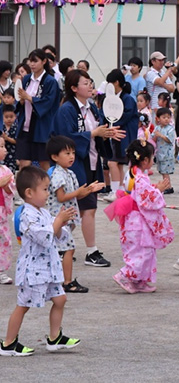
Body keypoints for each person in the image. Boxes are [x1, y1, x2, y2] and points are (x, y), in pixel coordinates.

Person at [0, 166, 80, 356]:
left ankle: (55, 338)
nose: (47, 193)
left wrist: (61, 222)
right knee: (23, 305)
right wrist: (57, 222)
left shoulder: (43, 212)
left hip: (49, 268)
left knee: (60, 299)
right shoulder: (26, 215)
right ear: (29, 193)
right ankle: (9, 343)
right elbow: (43, 237)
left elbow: (58, 236)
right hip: (33, 270)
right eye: (44, 189)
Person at [54, 70, 124, 269]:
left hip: (90, 161)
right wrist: (94, 132)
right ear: (74, 88)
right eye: (85, 83)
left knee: (81, 209)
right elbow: (64, 137)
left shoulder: (92, 107)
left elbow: (95, 133)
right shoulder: (66, 109)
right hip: (75, 164)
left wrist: (106, 133)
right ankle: (90, 251)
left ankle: (60, 246)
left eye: (90, 82)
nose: (90, 85)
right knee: (82, 209)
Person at [109, 140, 174, 294]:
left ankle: (139, 281)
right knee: (141, 251)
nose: (153, 161)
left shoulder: (133, 173)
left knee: (144, 250)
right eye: (152, 158)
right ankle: (124, 276)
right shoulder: (139, 177)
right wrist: (158, 190)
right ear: (145, 160)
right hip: (137, 219)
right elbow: (146, 198)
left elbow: (140, 194)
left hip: (134, 217)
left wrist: (155, 188)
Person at [45, 136, 103, 294]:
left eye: (73, 153)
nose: (71, 156)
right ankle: (67, 282)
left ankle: (54, 279)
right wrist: (79, 192)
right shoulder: (57, 174)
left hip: (66, 218)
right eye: (67, 153)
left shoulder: (69, 173)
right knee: (68, 249)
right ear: (55, 157)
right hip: (59, 218)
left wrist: (89, 190)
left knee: (59, 249)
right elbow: (61, 197)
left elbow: (76, 196)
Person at [16, 49, 60, 171]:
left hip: (41, 128)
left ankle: (48, 188)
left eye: (35, 61)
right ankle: (23, 189)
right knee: (23, 162)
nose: (32, 64)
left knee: (44, 162)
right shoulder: (26, 79)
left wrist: (29, 98)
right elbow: (19, 99)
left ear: (44, 61)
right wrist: (21, 101)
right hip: (25, 125)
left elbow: (49, 102)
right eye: (31, 61)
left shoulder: (50, 81)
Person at [103, 69, 138, 202]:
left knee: (113, 162)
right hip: (116, 134)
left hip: (124, 135)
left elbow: (125, 116)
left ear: (116, 82)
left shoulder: (127, 98)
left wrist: (113, 125)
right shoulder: (113, 98)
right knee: (118, 164)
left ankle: (115, 191)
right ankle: (122, 190)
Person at [153, 108, 175, 194]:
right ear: (158, 118)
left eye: (168, 117)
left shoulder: (170, 129)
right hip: (160, 153)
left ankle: (168, 186)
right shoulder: (157, 127)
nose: (166, 119)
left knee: (166, 171)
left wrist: (161, 135)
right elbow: (153, 137)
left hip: (167, 154)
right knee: (162, 171)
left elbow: (170, 139)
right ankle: (167, 186)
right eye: (164, 117)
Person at [0, 138, 13, 285]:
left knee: (4, 240)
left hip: (1, 210)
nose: (5, 149)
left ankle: (1, 270)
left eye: (4, 146)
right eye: (1, 146)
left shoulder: (6, 171)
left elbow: (10, 192)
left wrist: (6, 186)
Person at [2, 104, 18, 174]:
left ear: (15, 116)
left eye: (11, 117)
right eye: (6, 117)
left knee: (11, 172)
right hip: (2, 154)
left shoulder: (16, 128)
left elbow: (16, 141)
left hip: (12, 155)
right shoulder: (1, 128)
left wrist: (7, 138)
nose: (9, 119)